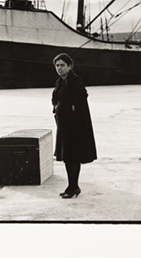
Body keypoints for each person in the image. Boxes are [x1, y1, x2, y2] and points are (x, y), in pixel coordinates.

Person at [52, 53, 97, 198]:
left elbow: (81, 98)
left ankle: (74, 186)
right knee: (67, 157)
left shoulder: (75, 81)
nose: (59, 68)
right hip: (64, 126)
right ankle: (71, 186)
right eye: (57, 65)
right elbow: (56, 99)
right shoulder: (60, 82)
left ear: (69, 66)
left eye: (62, 65)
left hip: (74, 128)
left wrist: (73, 110)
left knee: (73, 157)